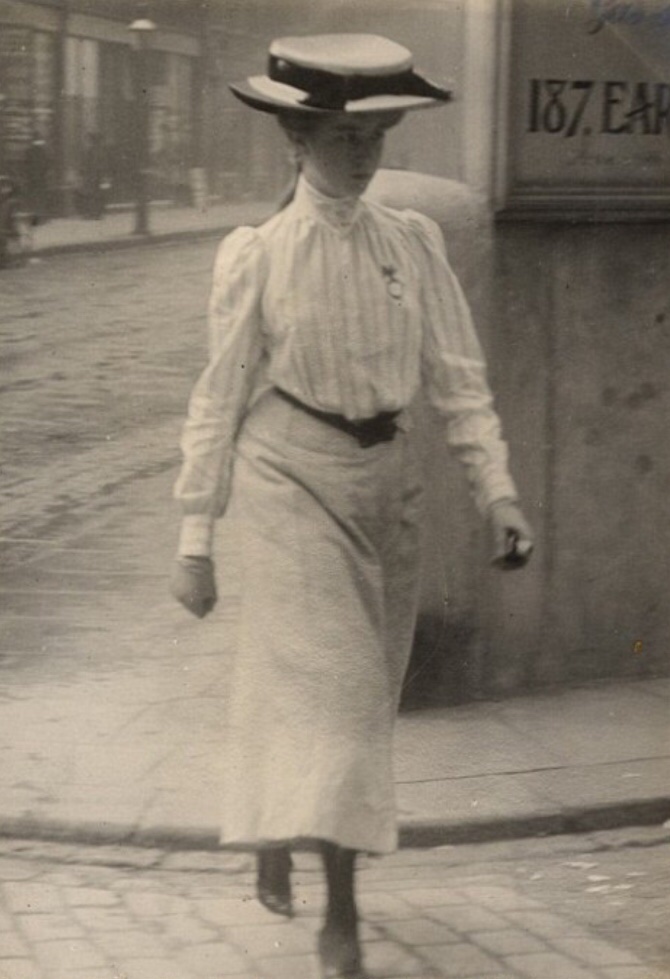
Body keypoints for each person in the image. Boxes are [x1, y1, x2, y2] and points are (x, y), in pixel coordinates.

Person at [171, 33, 534, 979]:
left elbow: (458, 378)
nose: (362, 156)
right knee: (334, 696)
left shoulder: (412, 245)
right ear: (296, 140)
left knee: (357, 698)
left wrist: (498, 492)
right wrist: (195, 537)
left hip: (389, 482)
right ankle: (344, 917)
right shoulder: (256, 255)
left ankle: (275, 828)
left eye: (375, 135)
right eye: (341, 137)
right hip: (288, 476)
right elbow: (219, 394)